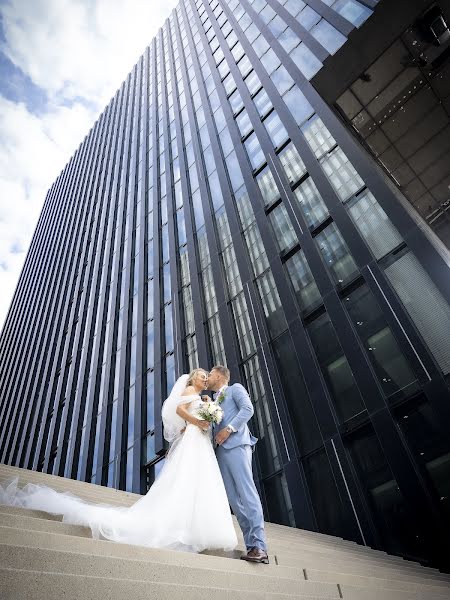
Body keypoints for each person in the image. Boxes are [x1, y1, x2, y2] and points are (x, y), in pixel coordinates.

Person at [0, 368, 238, 553]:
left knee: (201, 480)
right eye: (201, 375)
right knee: (187, 478)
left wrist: (205, 412)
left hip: (200, 441)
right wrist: (195, 422)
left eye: (206, 376)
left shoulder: (204, 398)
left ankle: (199, 526)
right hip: (194, 438)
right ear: (192, 379)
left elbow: (199, 416)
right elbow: (179, 411)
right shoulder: (188, 392)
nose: (205, 378)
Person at [207, 365, 269, 564]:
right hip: (221, 452)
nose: (207, 378)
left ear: (219, 375)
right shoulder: (215, 400)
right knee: (234, 500)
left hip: (237, 445)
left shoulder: (235, 389)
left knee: (246, 492)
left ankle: (260, 546)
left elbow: (248, 409)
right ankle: (251, 547)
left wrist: (229, 429)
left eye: (209, 375)